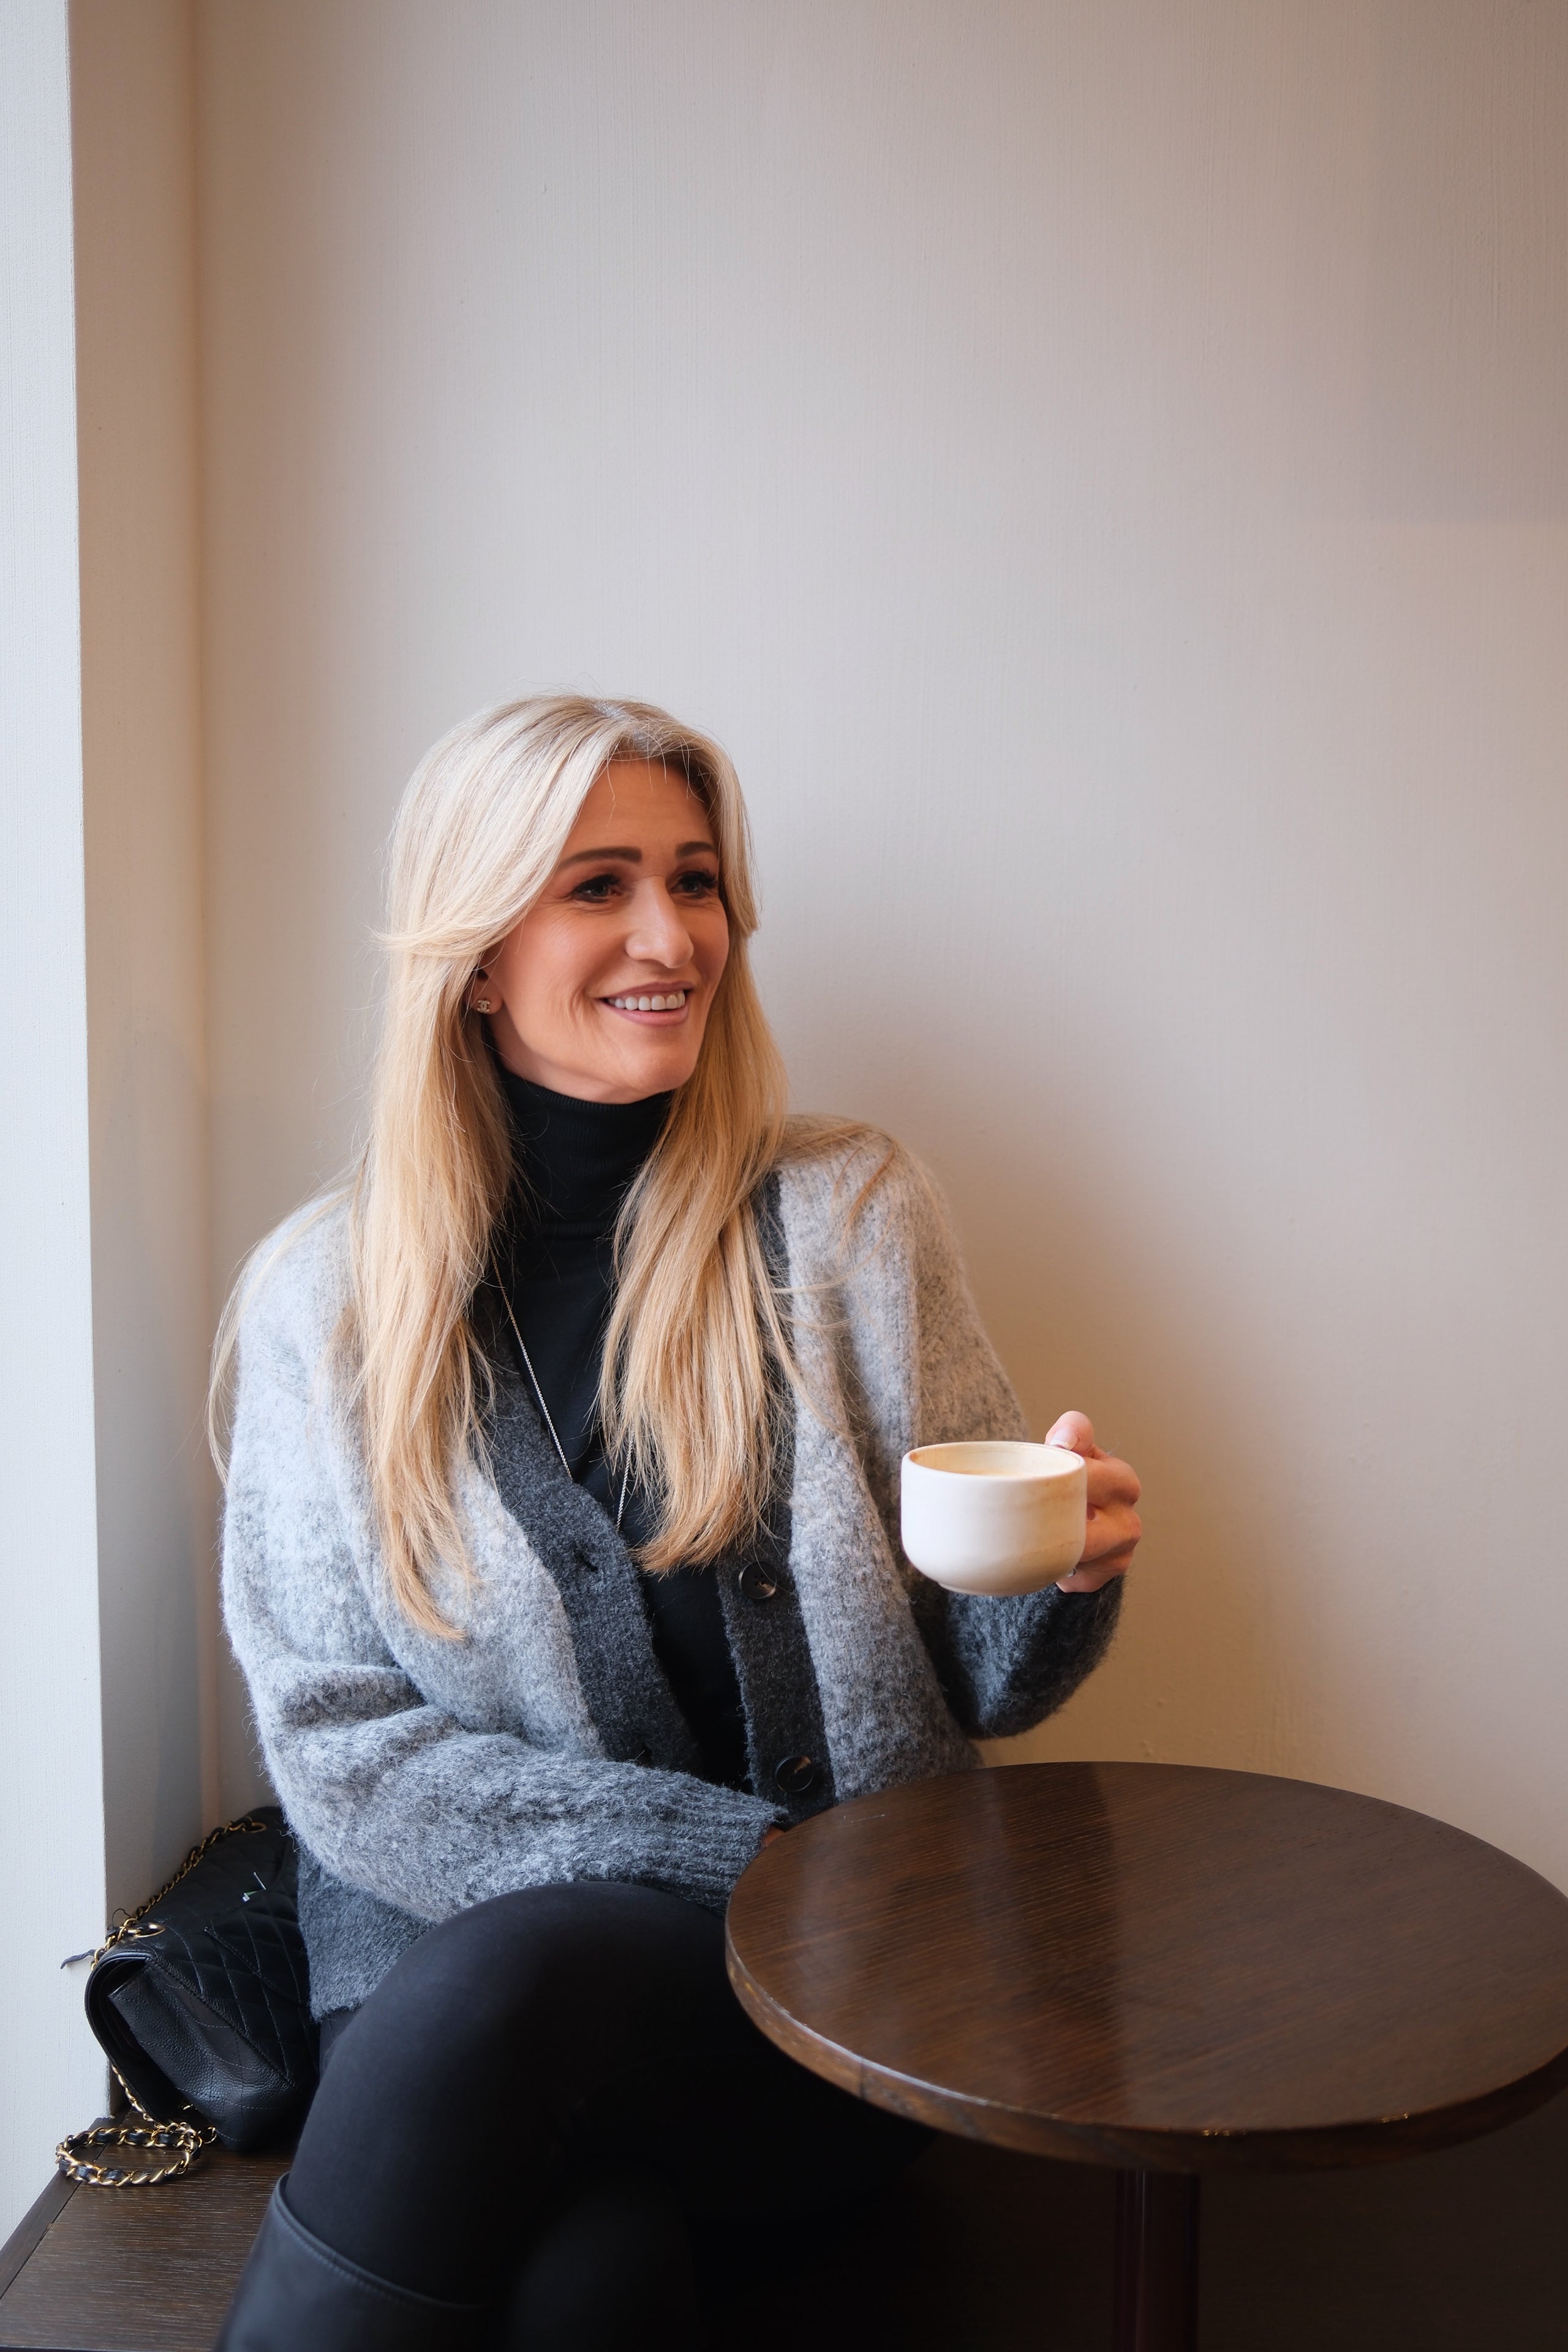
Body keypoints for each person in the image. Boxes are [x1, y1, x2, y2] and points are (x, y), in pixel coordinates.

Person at [213, 695, 1142, 2350]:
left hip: (833, 2001)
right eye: (600, 885)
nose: (673, 936)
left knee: (520, 1995)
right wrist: (747, 1860)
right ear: (475, 957)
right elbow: (339, 1745)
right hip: (445, 2005)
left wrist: (1057, 1573)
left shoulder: (849, 1216)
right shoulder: (325, 1302)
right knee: (589, 2282)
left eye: (696, 880)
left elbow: (985, 1677)